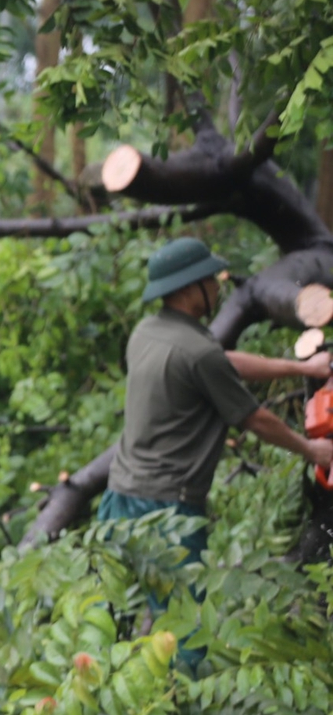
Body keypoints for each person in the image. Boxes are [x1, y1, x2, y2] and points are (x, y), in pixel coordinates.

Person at [101, 237, 333, 563]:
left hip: (119, 496)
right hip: (167, 509)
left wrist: (302, 367)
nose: (215, 286)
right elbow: (254, 418)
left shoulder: (149, 331)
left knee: (124, 604)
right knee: (182, 611)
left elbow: (226, 361)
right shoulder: (196, 351)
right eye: (207, 279)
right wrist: (312, 449)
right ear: (186, 290)